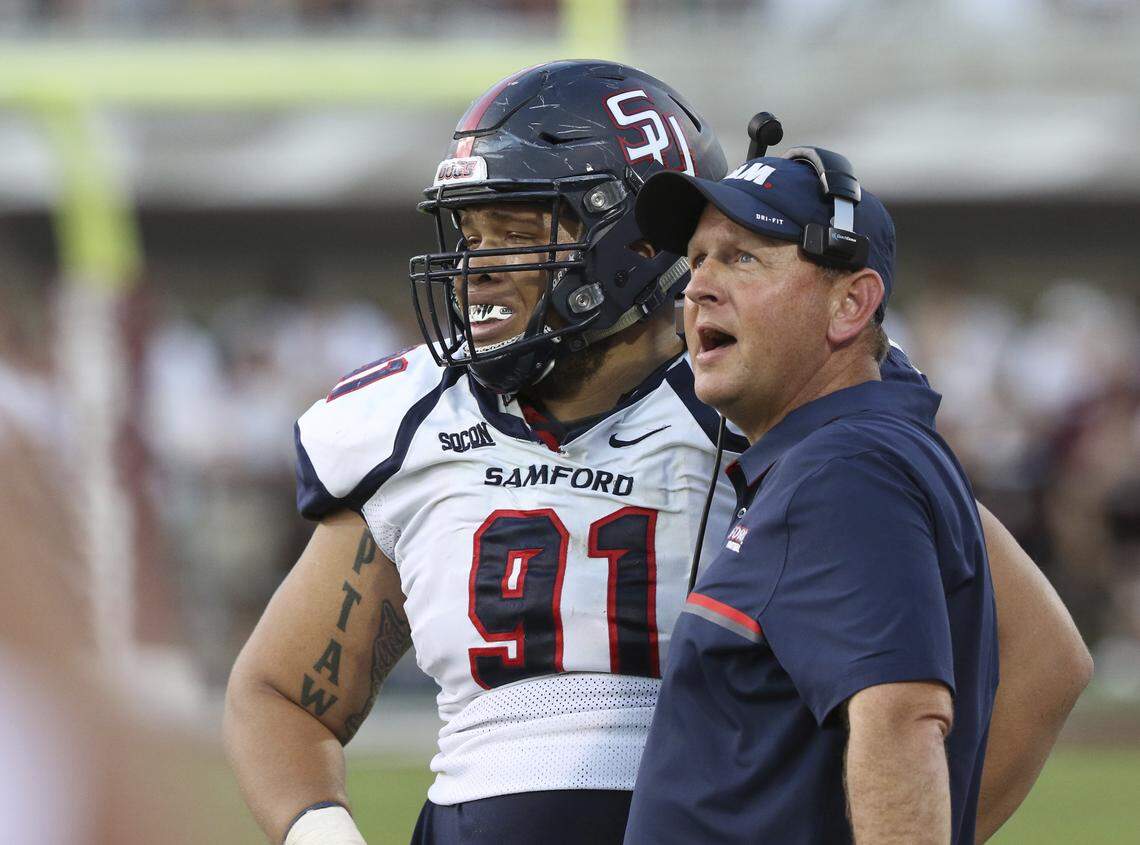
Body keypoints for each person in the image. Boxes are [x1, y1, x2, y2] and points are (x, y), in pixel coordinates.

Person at [224, 62, 1091, 845]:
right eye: (472, 236)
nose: (479, 269)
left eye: (517, 228)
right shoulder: (413, 418)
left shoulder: (773, 406)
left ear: (635, 244)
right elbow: (281, 692)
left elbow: (1041, 657)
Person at [625, 150, 1007, 844]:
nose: (698, 286)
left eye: (742, 258)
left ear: (850, 304)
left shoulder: (847, 467)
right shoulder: (855, 452)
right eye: (698, 258)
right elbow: (1057, 661)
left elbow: (901, 719)